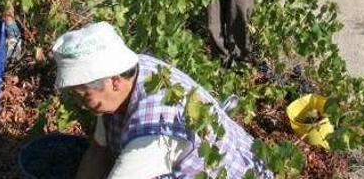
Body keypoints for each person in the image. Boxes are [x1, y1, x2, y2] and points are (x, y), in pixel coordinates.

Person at [53, 22, 272, 179]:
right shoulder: (131, 73)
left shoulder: (155, 131)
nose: (80, 104)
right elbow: (98, 151)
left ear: (115, 82)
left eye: (83, 96)